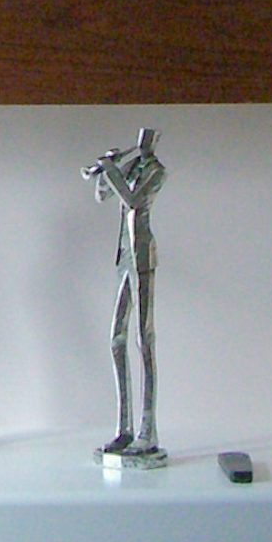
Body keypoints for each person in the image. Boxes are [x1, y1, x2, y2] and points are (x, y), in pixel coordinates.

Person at [83, 126, 167, 466]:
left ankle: (149, 431)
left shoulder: (157, 172)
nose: (141, 142)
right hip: (123, 254)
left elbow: (132, 202)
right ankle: (124, 428)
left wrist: (113, 168)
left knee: (143, 339)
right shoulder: (130, 167)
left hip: (142, 255)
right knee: (116, 339)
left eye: (147, 138)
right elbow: (103, 195)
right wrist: (104, 170)